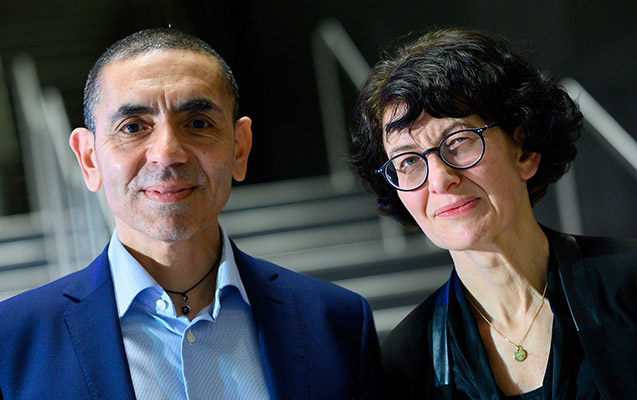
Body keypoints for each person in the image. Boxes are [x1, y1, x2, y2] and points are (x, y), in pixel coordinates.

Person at [0, 28, 378, 400]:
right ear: (88, 159)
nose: (167, 154)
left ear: (239, 149)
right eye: (133, 127)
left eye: (198, 123)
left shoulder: (336, 324)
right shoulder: (11, 341)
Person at [349, 27, 637, 399]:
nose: (440, 180)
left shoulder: (629, 284)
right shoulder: (404, 363)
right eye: (407, 161)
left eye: (458, 141)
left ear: (523, 149)